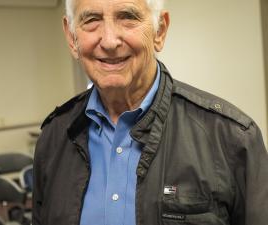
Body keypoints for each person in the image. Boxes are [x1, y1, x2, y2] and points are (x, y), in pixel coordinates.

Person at [32, 0, 268, 224]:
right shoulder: (53, 139)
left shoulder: (231, 139)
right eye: (92, 19)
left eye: (127, 17)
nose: (110, 41)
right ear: (72, 37)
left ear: (160, 31)